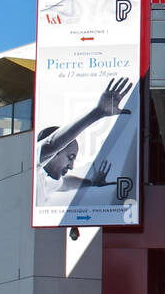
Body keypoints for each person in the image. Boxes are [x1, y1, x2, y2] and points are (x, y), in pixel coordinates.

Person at [36, 77, 133, 205]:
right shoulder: (32, 160)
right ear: (53, 153)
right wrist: (98, 112)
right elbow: (52, 144)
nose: (71, 166)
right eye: (70, 157)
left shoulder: (43, 181)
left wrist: (92, 182)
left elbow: (66, 183)